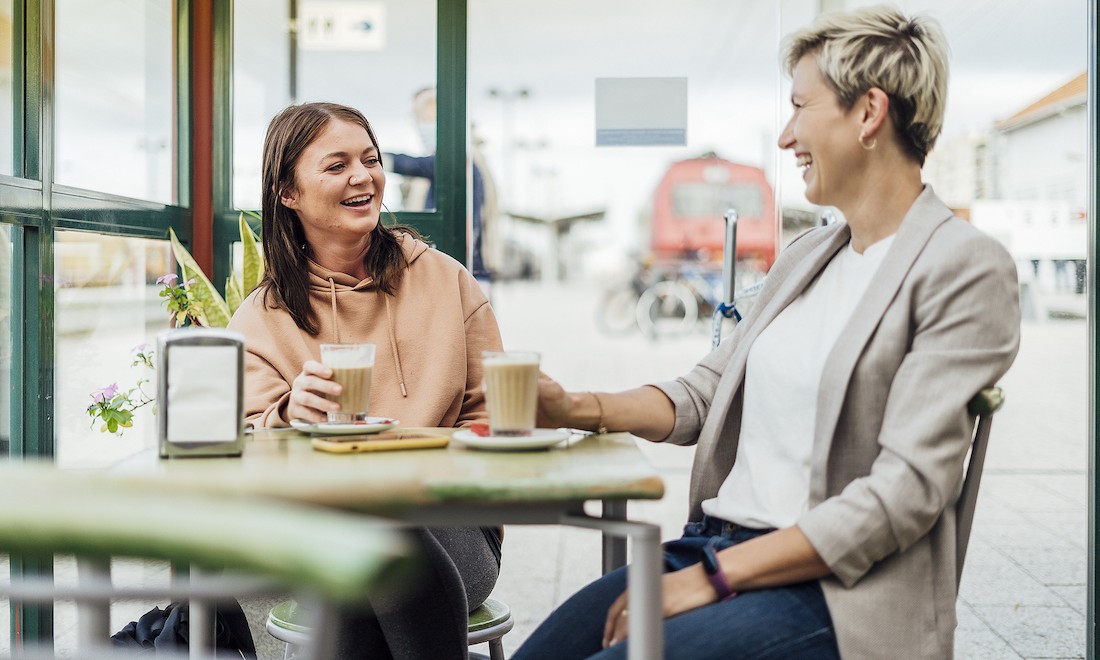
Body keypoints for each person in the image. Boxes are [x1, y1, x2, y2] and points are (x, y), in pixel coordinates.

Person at [513, 6, 1021, 660]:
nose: (785, 137)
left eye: (800, 107)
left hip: (837, 592)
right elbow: (707, 391)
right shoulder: (809, 255)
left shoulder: (964, 267)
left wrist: (715, 580)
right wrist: (576, 408)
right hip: (718, 548)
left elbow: (906, 492)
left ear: (868, 114)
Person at [227, 101, 503, 659]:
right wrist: (286, 417)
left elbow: (495, 418)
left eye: (370, 159)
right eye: (336, 166)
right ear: (288, 193)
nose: (363, 176)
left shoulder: (446, 281)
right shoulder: (260, 318)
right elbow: (241, 454)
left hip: (453, 532)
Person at [385, 87, 496, 290]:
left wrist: (369, 157)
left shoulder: (461, 163)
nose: (420, 126)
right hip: (458, 273)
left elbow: (411, 164)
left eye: (426, 120)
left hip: (463, 274)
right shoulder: (459, 163)